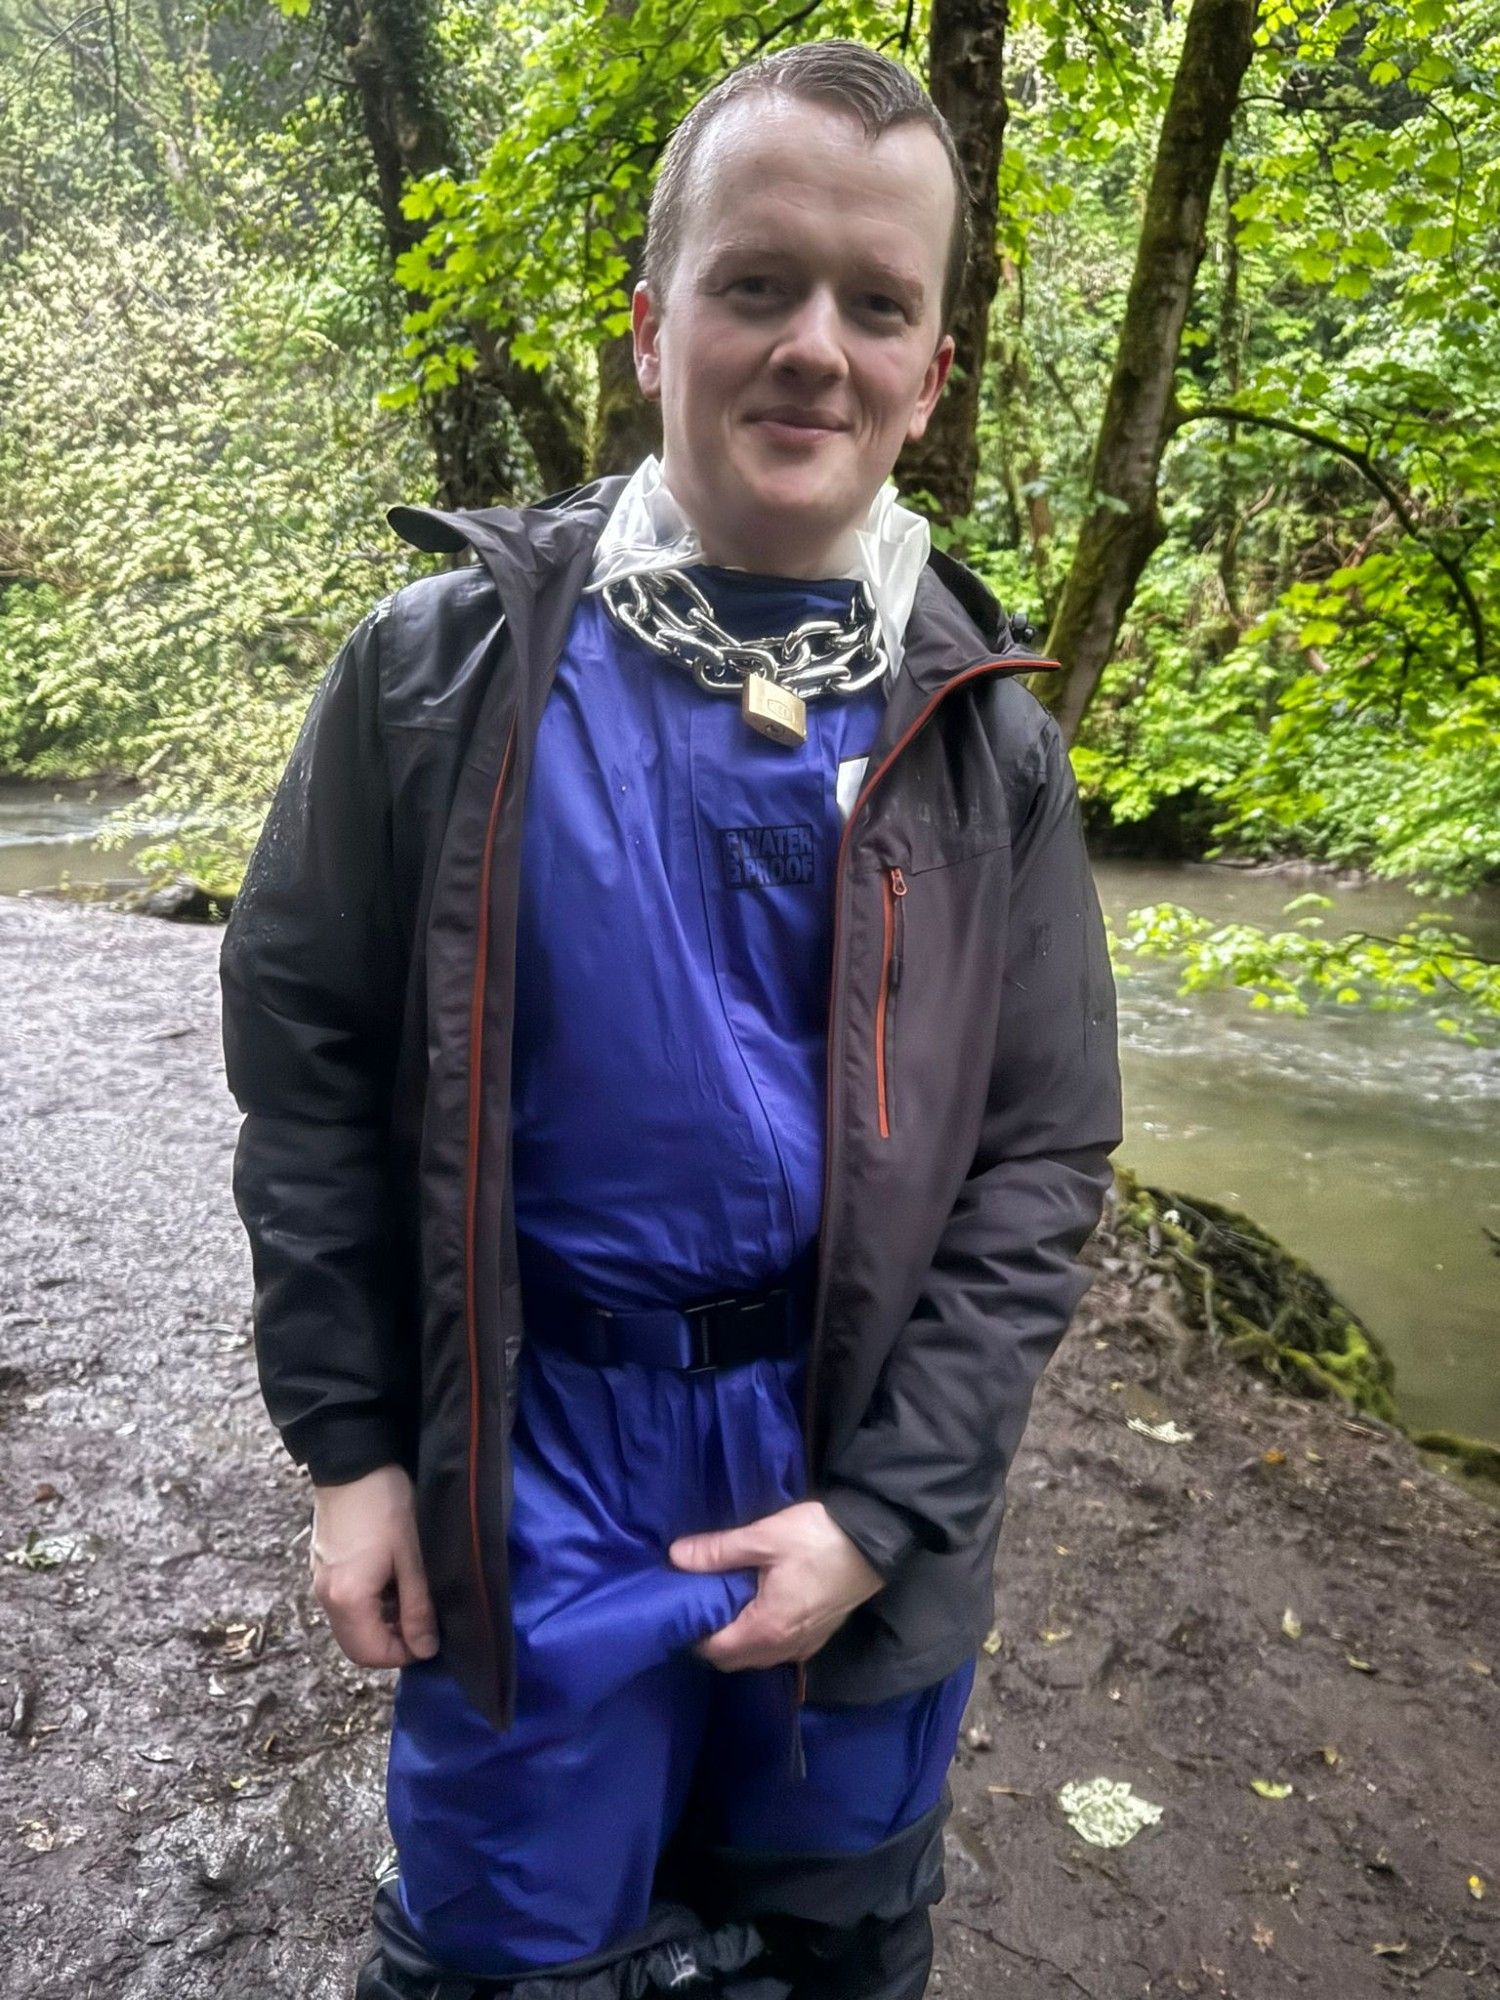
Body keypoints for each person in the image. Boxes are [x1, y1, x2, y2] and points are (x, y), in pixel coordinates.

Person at [220, 37, 1122, 2000]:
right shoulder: (438, 679)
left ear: (931, 371)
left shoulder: (993, 748)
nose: (815, 345)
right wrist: (357, 1446)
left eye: (877, 303)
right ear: (653, 327)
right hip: (533, 1474)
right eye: (756, 284)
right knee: (508, 1957)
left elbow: (1045, 1149)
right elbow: (304, 1066)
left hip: (854, 1470)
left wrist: (886, 1512)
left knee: (828, 1944)